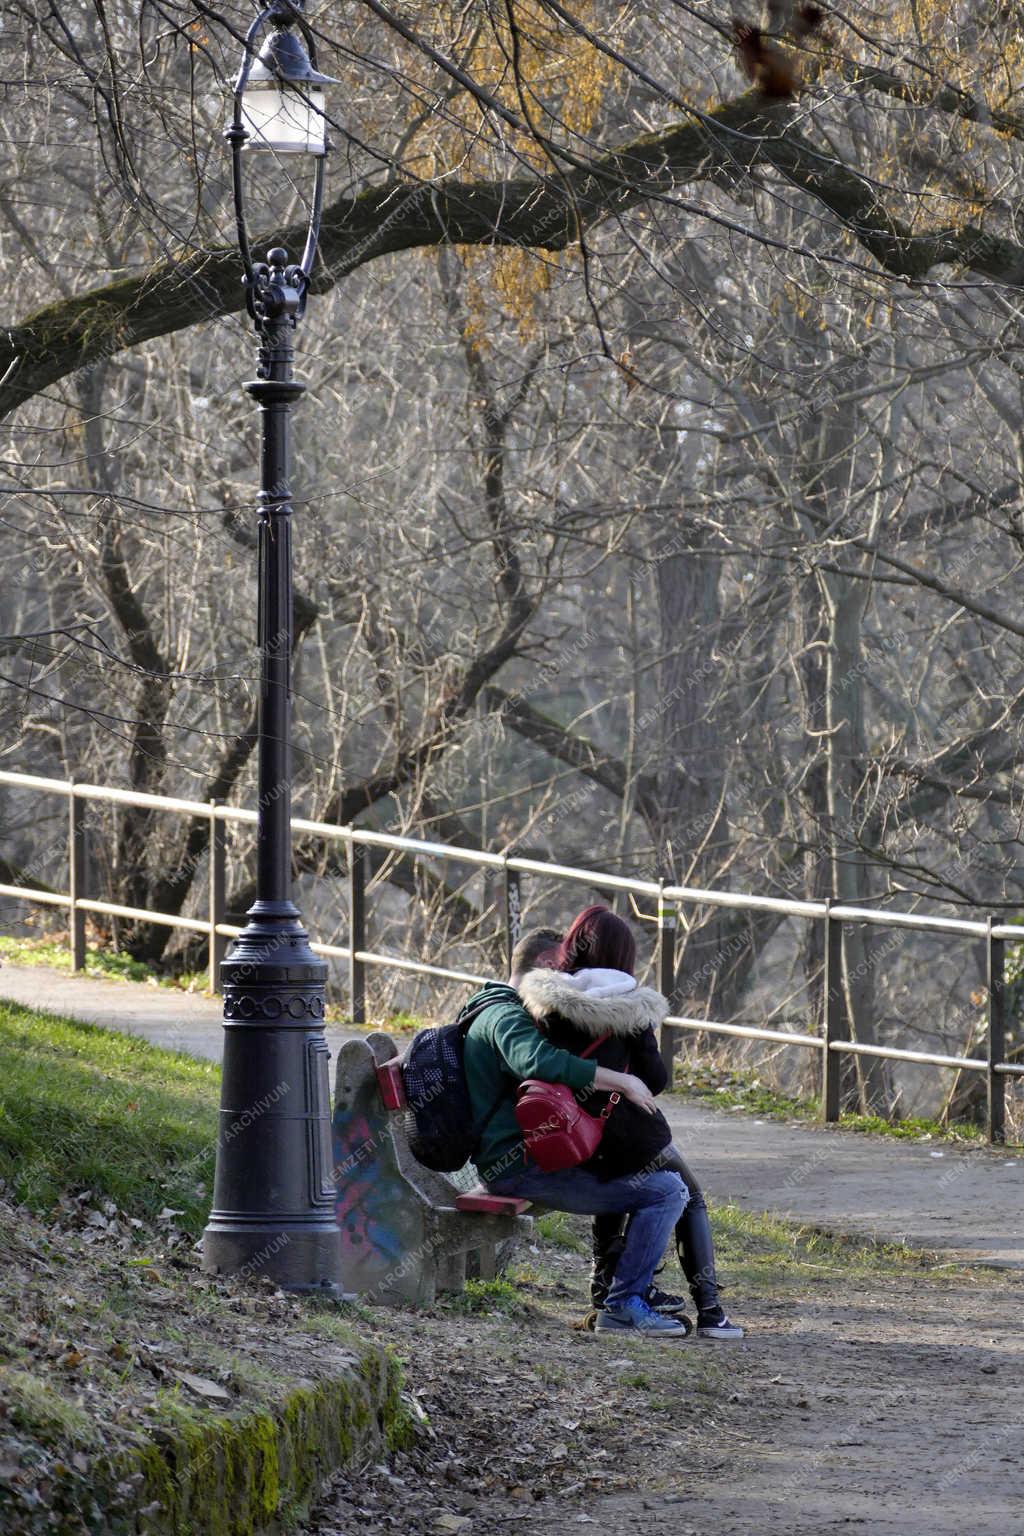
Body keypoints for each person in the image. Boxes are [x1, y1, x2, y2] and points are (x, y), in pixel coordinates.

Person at [517, 906, 743, 1341]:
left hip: (568, 1136)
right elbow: (656, 1080)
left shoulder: (544, 1001)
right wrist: (639, 1040)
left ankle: (605, 1289)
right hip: (622, 1136)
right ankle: (711, 1311)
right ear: (623, 956)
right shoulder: (630, 1006)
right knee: (689, 1194)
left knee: (624, 1186)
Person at [462, 925, 690, 1336]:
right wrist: (621, 1080)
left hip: (525, 1158)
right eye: (567, 967)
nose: (570, 977)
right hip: (517, 1168)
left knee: (628, 1166)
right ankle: (621, 1305)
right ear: (549, 963)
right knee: (668, 1190)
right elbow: (536, 1061)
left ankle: (623, 1292)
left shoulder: (496, 1006)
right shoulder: (505, 1014)